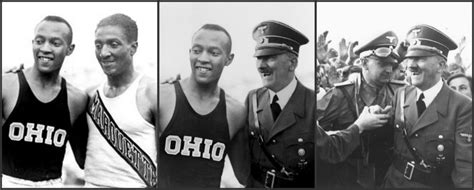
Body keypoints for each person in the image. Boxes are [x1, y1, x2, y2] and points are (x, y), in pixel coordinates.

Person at [158, 24, 248, 188]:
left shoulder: (236, 112)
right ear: (190, 52)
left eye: (214, 53)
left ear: (229, 59)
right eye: (197, 50)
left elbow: (245, 176)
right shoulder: (162, 98)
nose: (203, 58)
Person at [2, 15, 88, 187]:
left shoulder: (76, 98)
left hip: (52, 184)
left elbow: (84, 160)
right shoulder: (7, 86)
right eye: (39, 41)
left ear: (69, 49)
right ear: (33, 43)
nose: (45, 48)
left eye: (55, 43)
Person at [383, 24, 472, 188]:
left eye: (420, 58)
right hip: (392, 183)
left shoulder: (462, 107)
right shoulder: (401, 95)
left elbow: (465, 170)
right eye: (410, 59)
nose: (411, 66)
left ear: (441, 66)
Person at [317, 31, 406, 188]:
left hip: (387, 178)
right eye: (382, 63)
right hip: (347, 178)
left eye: (391, 64)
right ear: (364, 63)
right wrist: (355, 128)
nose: (389, 70)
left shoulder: (400, 92)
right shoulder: (341, 94)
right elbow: (313, 132)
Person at [83, 13, 157, 188]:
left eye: (113, 44)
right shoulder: (90, 95)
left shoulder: (150, 93)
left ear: (133, 48)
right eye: (98, 45)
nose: (104, 53)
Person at [245, 20, 314, 188]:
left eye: (269, 57)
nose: (261, 66)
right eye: (259, 58)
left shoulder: (313, 104)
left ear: (293, 63)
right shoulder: (253, 99)